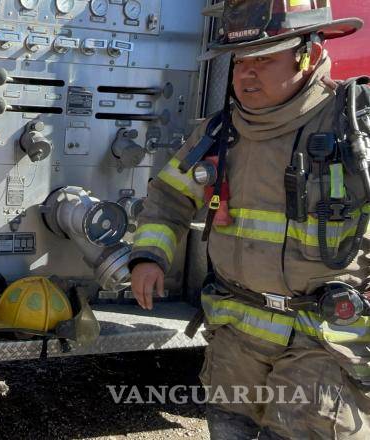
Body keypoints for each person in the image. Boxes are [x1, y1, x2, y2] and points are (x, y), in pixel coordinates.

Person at [129, 1, 370, 438]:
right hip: (238, 336)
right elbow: (169, 196)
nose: (246, 74)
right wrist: (148, 257)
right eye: (240, 62)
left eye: (265, 59)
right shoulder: (219, 133)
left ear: (310, 55)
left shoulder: (354, 134)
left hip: (323, 343)